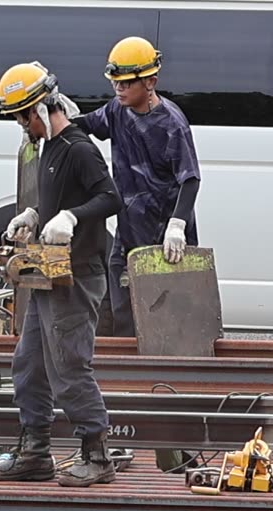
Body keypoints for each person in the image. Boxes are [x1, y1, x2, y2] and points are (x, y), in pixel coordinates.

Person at [0, 62, 123, 487]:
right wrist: (35, 214)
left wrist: (71, 217)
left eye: (22, 117)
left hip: (77, 274)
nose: (21, 126)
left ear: (40, 109)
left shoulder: (79, 148)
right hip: (49, 272)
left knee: (69, 365)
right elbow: (62, 196)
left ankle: (97, 456)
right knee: (29, 363)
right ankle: (35, 451)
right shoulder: (50, 148)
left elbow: (110, 198)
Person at [73, 36, 202, 337]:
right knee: (125, 321)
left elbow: (191, 178)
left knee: (167, 324)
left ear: (150, 82)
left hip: (165, 244)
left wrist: (177, 225)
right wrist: (55, 120)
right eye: (115, 82)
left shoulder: (171, 124)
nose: (119, 89)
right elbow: (88, 125)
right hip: (128, 237)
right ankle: (130, 381)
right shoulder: (117, 110)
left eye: (126, 83)